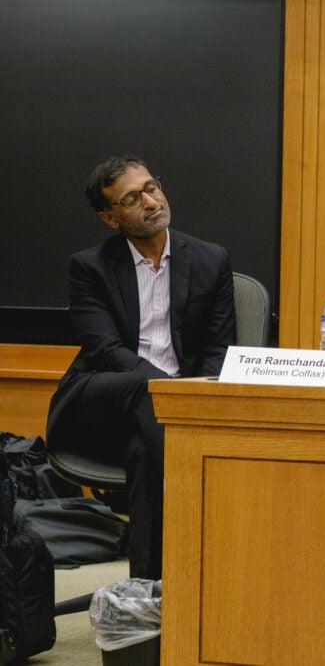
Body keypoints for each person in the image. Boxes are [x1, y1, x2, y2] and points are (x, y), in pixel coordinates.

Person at [47, 154, 236, 579]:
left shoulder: (210, 260)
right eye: (132, 199)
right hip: (99, 399)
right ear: (110, 218)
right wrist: (171, 393)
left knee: (143, 455)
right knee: (141, 387)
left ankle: (149, 594)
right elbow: (105, 350)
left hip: (162, 420)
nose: (151, 202)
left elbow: (218, 353)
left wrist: (184, 399)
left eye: (151, 187)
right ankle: (204, 486)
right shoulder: (90, 267)